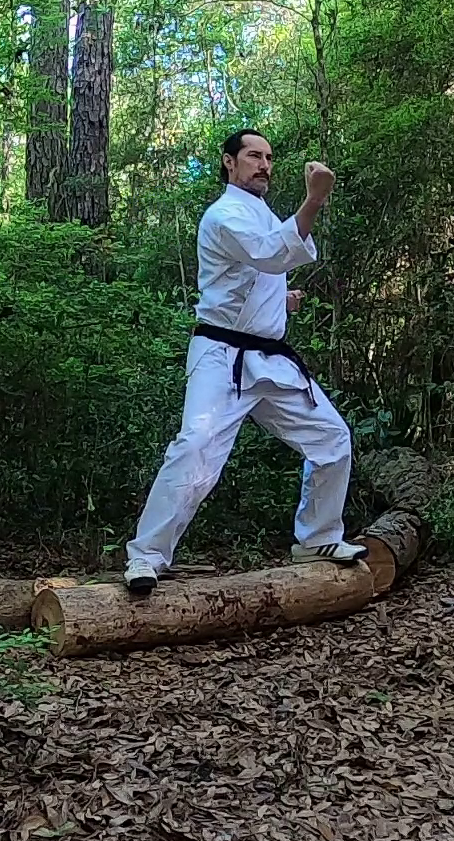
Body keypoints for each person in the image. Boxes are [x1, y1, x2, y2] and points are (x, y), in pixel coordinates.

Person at [122, 128, 363, 593]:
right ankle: (146, 556)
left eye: (269, 158)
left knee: (332, 438)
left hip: (269, 360)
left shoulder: (260, 213)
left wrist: (281, 301)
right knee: (195, 446)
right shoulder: (223, 214)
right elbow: (269, 254)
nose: (264, 165)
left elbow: (251, 278)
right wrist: (314, 200)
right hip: (221, 355)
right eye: (254, 156)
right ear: (229, 162)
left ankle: (318, 538)